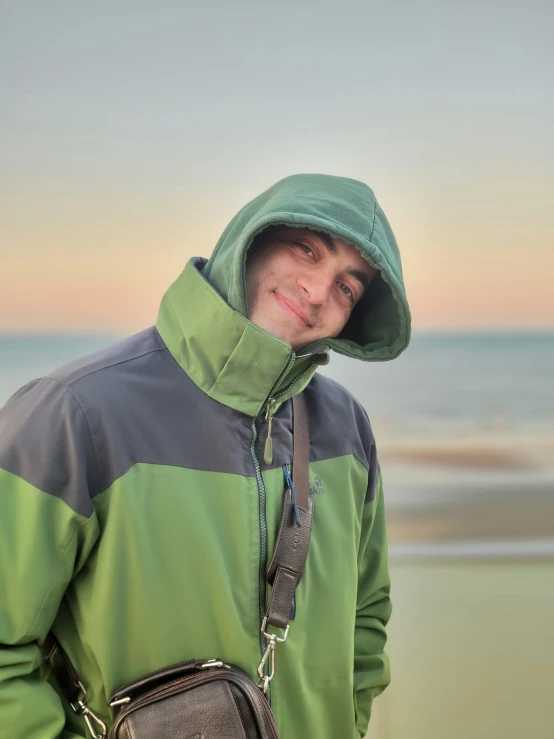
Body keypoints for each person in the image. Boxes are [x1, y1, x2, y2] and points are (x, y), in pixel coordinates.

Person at [0, 173, 411, 739]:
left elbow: (367, 618)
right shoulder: (72, 415)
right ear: (250, 239)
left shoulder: (348, 431)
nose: (318, 292)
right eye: (307, 249)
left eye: (348, 287)